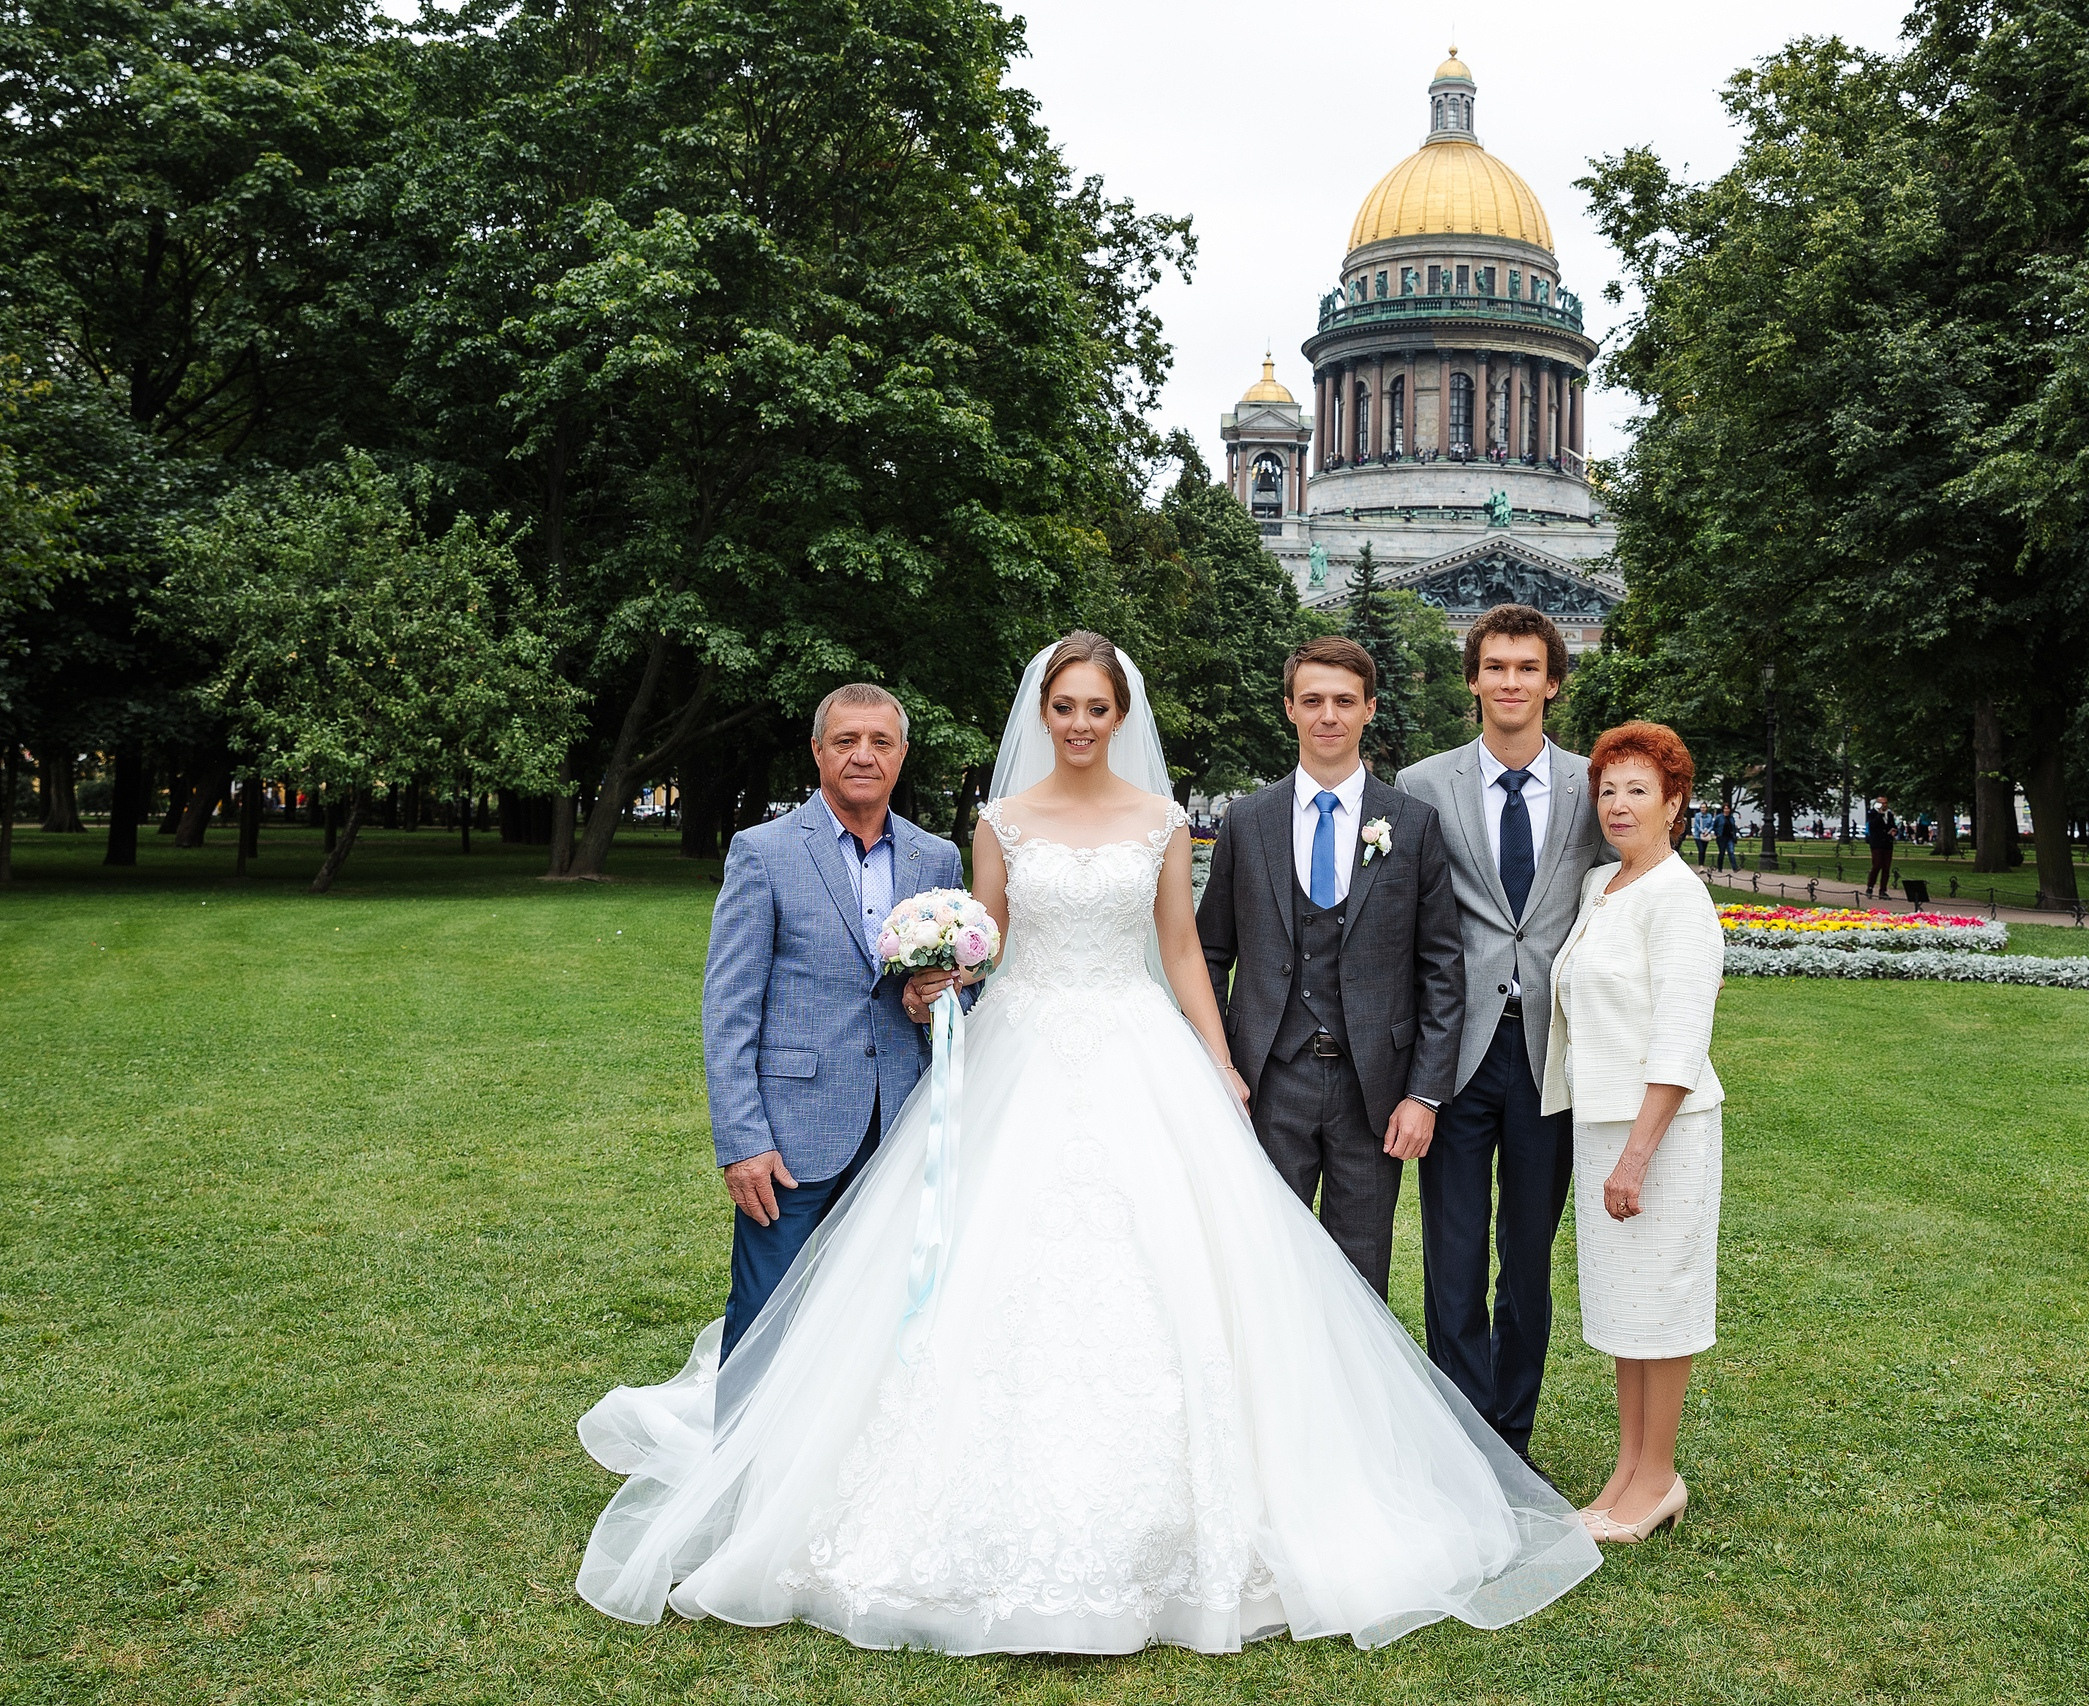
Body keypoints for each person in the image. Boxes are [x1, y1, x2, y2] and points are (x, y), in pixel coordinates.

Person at [574, 633, 1599, 1654]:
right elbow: (991, 938)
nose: (1076, 723)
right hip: (1021, 1050)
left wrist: (1218, 1058)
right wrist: (947, 972)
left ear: (1120, 717)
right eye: (1062, 706)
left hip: (1133, 1049)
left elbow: (1182, 946)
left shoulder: (1159, 820)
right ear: (1042, 712)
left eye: (1094, 708)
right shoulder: (998, 823)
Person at [1395, 606, 1610, 1463]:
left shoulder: (1595, 787)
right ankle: (1463, 1440)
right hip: (1453, 1053)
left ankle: (1510, 1437)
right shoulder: (1421, 786)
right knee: (1450, 1257)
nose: (1510, 683)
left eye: (1527, 668)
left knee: (1528, 1257)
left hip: (1552, 1056)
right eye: (1495, 667)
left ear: (1552, 681)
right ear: (1473, 680)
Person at [1194, 635, 1466, 1298]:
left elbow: (1441, 966)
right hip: (1266, 1082)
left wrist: (1424, 1095)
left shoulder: (1413, 824)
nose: (1328, 715)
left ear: (1369, 708)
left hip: (1373, 1089)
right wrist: (1217, 1067)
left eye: (1345, 701)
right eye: (1312, 700)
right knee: (1262, 1260)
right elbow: (1208, 952)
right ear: (1289, 708)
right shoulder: (1246, 821)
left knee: (1361, 1271)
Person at [700, 684, 967, 1360]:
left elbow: (963, 996)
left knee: (884, 1315)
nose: (863, 756)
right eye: (846, 741)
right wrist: (741, 1140)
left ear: (902, 755)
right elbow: (729, 1008)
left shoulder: (935, 859)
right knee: (763, 1317)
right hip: (791, 1137)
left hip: (904, 1126)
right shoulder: (764, 853)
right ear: (818, 751)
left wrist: (936, 999)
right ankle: (738, 1467)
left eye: (880, 742)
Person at [1544, 721, 1726, 1544]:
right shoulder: (1601, 886)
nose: (1618, 805)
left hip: (1661, 1131)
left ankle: (1658, 1480)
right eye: (1607, 789)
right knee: (1625, 1309)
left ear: (1675, 802)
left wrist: (1638, 1156)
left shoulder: (1679, 901)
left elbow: (1680, 1042)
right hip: (1601, 1121)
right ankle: (1626, 1470)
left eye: (1638, 790)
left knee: (1663, 1303)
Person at [1864, 796, 1895, 897]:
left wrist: (1893, 830)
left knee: (1886, 867)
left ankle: (1883, 890)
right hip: (1877, 843)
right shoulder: (1872, 813)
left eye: (1886, 803)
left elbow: (1892, 825)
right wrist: (1879, 815)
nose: (1884, 805)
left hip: (1887, 843)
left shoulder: (1889, 814)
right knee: (1877, 865)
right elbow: (1872, 826)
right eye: (1882, 803)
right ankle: (1870, 887)